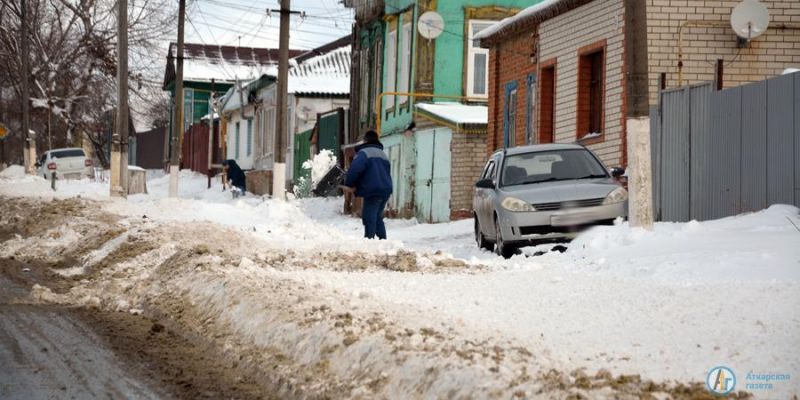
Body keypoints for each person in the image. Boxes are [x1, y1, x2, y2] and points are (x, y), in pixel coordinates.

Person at [344, 130, 392, 240]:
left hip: (373, 190)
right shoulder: (383, 154)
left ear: (365, 140)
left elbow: (355, 169)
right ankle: (382, 241)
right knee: (377, 217)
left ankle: (369, 240)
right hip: (385, 190)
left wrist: (349, 183)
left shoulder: (364, 153)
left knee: (369, 216)